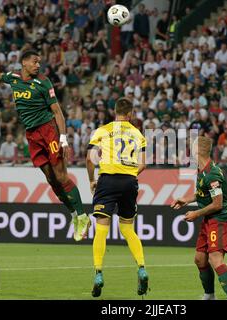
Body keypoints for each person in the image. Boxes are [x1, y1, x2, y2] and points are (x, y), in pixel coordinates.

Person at [0, 50, 90, 241]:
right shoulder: (14, 78)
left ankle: (82, 216)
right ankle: (73, 214)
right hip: (32, 135)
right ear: (24, 63)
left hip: (49, 131)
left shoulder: (44, 83)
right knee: (50, 179)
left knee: (61, 176)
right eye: (35, 62)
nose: (38, 65)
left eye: (39, 62)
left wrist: (63, 139)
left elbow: (58, 112)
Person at [86, 97, 148, 298]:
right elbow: (143, 164)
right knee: (128, 229)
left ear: (115, 111)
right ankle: (141, 268)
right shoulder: (138, 133)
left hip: (107, 180)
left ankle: (98, 273)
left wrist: (92, 180)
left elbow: (90, 158)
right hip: (129, 181)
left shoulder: (103, 130)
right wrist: (129, 175)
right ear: (130, 114)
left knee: (102, 229)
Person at [171, 136, 227, 300]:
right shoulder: (203, 171)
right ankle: (209, 295)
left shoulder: (212, 174)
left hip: (219, 220)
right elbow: (203, 193)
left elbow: (217, 204)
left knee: (216, 259)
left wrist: (196, 213)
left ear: (197, 150)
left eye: (192, 147)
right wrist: (187, 200)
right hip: (209, 220)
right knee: (200, 260)